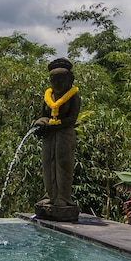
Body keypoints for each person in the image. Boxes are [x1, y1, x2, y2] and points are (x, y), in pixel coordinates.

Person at [34, 58, 81, 220]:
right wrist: (41, 122)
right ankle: (50, 194)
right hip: (49, 135)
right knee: (48, 163)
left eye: (62, 79)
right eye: (54, 80)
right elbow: (43, 115)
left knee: (63, 164)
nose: (58, 83)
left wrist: (56, 125)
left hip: (64, 134)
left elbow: (72, 119)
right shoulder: (48, 96)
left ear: (70, 79)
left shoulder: (73, 96)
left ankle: (63, 197)